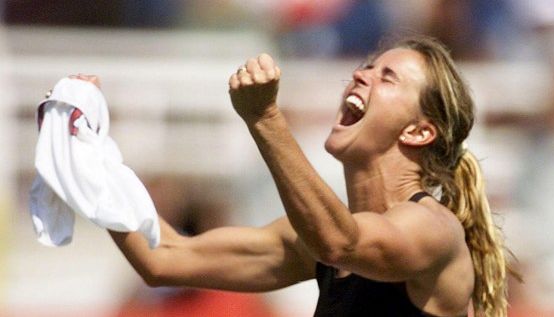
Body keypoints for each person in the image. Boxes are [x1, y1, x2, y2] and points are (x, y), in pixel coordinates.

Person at [76, 36, 512, 316]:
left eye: (387, 77)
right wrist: (89, 155)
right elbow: (165, 258)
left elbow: (341, 244)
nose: (360, 74)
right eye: (367, 66)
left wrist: (266, 118)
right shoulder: (315, 241)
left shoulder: (432, 228)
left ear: (419, 131)